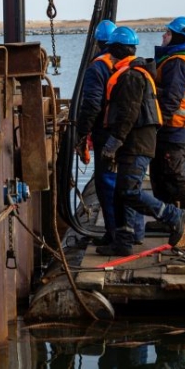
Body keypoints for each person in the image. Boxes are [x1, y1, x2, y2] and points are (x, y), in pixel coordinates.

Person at [98, 26, 185, 256]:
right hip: (135, 142)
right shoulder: (130, 72)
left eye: (110, 50)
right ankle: (123, 241)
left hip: (136, 144)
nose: (107, 54)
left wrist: (114, 142)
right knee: (121, 192)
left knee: (129, 191)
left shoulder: (130, 75)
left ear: (117, 49)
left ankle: (173, 215)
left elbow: (128, 113)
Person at [74, 19, 121, 245]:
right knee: (123, 183)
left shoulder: (98, 67)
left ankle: (114, 234)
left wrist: (82, 132)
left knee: (106, 184)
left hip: (104, 132)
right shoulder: (125, 65)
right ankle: (126, 231)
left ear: (99, 43)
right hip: (123, 133)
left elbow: (92, 103)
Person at [149, 16, 185, 214]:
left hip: (173, 127)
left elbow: (172, 99)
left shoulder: (178, 62)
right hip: (172, 127)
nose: (163, 35)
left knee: (174, 172)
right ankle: (169, 217)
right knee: (162, 172)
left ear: (177, 37)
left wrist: (156, 123)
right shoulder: (173, 59)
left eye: (168, 33)